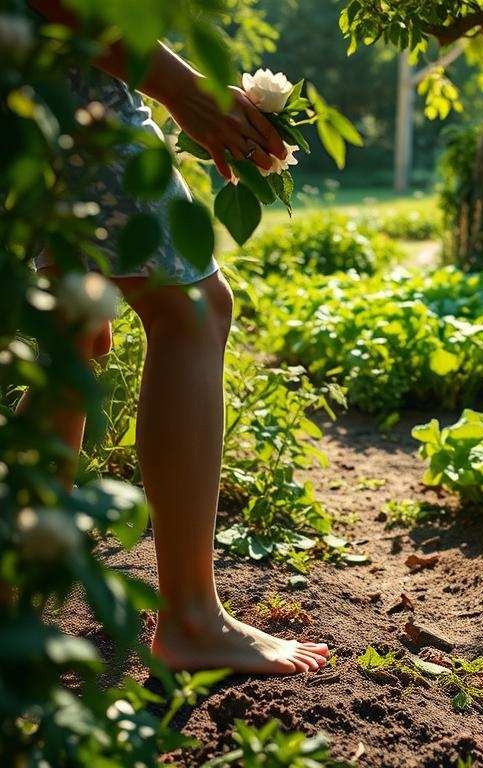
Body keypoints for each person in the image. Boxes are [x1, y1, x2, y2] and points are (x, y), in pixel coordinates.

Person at [25, 1, 329, 675]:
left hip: (38, 72)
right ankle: (191, 617)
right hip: (70, 76)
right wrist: (186, 91)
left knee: (72, 331)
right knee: (191, 309)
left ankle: (13, 592)